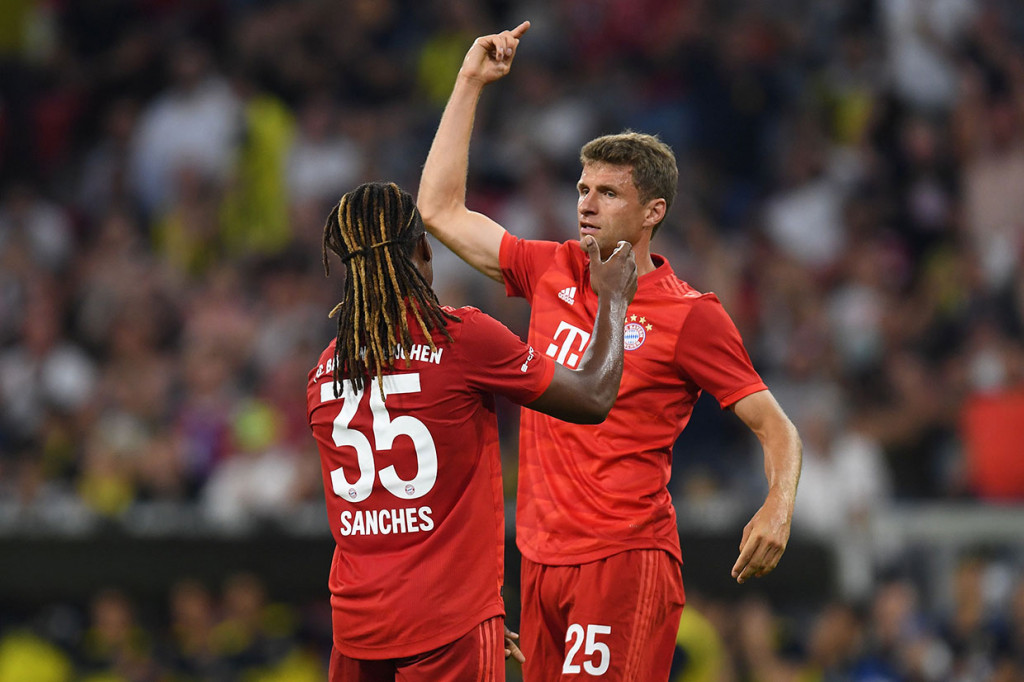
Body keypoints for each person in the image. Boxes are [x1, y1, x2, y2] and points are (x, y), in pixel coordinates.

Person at [417, 22, 803, 681]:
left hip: (623, 559)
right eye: (582, 189)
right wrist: (470, 81)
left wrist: (778, 506)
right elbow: (439, 210)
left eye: (608, 192)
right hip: (539, 560)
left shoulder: (691, 315)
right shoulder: (551, 268)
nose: (587, 205)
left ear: (653, 211)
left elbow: (776, 427)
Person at [306, 181, 637, 681]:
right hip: (448, 620)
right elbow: (593, 396)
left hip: (358, 630)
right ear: (423, 249)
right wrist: (612, 298)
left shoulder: (323, 372)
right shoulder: (459, 339)